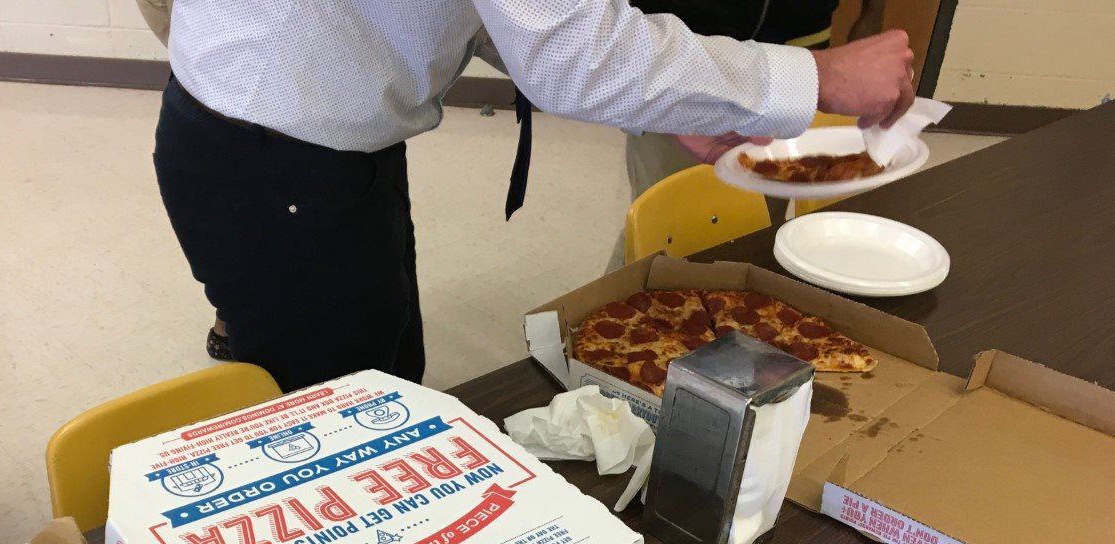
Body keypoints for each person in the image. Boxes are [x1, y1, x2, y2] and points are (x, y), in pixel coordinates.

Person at [153, 0, 913, 392]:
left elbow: (521, 26)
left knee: (384, 375)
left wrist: (684, 107)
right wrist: (819, 77)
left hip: (309, 142)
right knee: (334, 420)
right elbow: (572, 50)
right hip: (270, 153)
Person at [606, 0, 888, 269]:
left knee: (762, 225)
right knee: (663, 229)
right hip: (683, 61)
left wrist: (871, 17)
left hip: (798, 60)